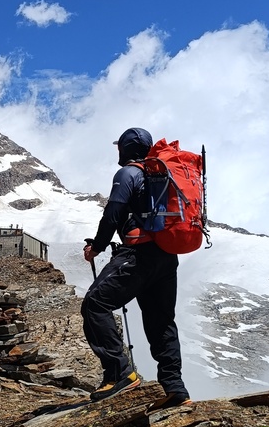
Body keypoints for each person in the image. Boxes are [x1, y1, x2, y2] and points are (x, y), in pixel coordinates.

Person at [81, 127, 191, 406]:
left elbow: (113, 213)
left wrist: (97, 247)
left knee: (95, 304)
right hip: (167, 256)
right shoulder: (162, 174)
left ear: (125, 149)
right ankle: (175, 389)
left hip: (138, 255)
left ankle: (120, 374)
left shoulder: (129, 173)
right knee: (161, 321)